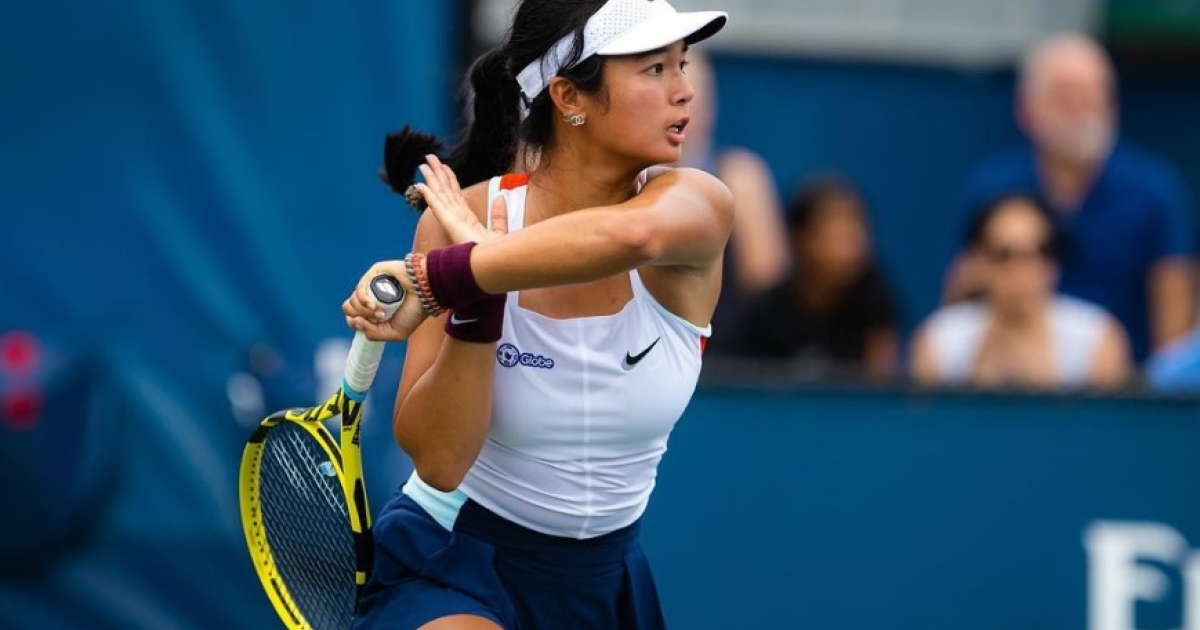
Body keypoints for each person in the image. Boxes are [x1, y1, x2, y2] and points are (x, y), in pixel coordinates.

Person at [342, 1, 732, 628]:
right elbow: (440, 464)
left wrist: (447, 275)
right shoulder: (458, 221)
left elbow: (631, 237)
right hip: (454, 562)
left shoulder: (698, 207)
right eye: (654, 69)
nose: (684, 90)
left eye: (681, 65)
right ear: (569, 96)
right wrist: (477, 302)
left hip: (607, 584)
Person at [943, 33, 1195, 363]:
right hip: (1009, 377)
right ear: (1026, 109)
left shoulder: (1155, 190)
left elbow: (1173, 319)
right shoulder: (991, 186)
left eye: (1095, 95)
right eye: (1066, 95)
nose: (1081, 109)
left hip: (1126, 382)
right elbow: (962, 297)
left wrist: (1157, 386)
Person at [914, 193, 1130, 390]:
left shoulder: (1097, 339)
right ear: (977, 261)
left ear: (1054, 263)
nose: (1019, 271)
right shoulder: (939, 342)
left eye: (1036, 253)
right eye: (1003, 255)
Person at [725, 173, 900, 379]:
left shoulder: (876, 302)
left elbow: (879, 383)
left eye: (854, 231)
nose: (846, 249)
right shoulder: (765, 314)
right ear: (799, 237)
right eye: (832, 234)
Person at [674, 50, 790, 352]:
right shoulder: (622, 180)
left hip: (724, 354)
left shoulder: (740, 177)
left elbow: (766, 280)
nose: (685, 111)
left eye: (694, 99)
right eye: (678, 98)